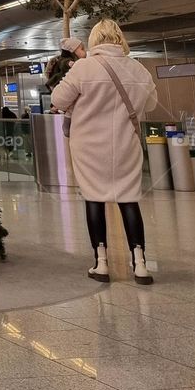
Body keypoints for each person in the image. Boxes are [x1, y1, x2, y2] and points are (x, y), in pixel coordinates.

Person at [50, 19, 157, 285]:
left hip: (88, 147)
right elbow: (151, 103)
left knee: (94, 200)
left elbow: (58, 100)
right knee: (128, 200)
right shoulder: (137, 69)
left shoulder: (84, 68)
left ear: (94, 40)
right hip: (126, 144)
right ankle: (140, 263)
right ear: (120, 39)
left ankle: (101, 262)